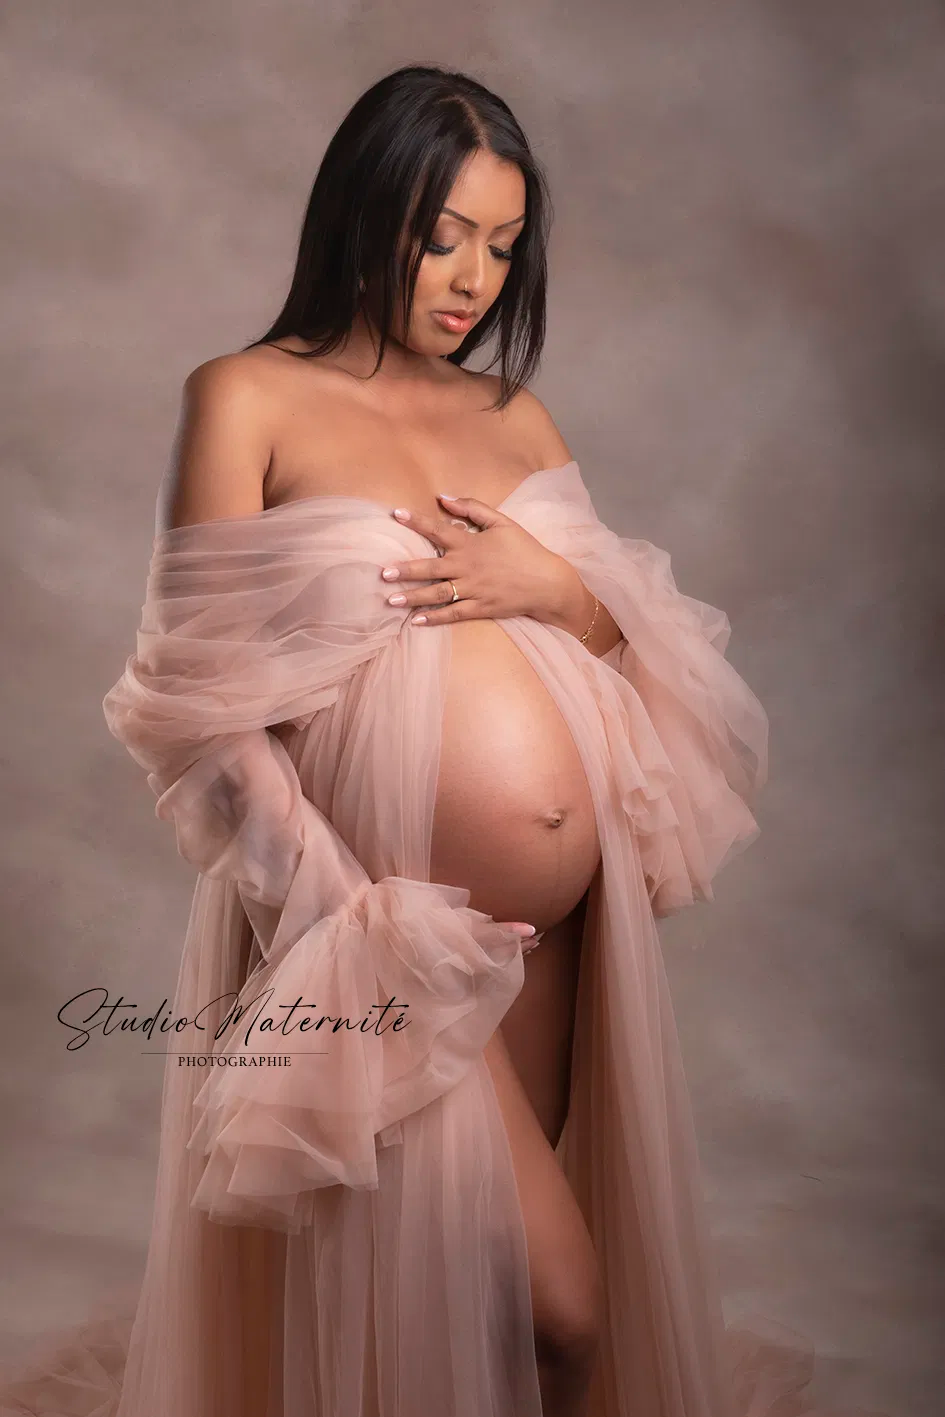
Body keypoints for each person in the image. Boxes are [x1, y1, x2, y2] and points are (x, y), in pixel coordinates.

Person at [0, 62, 877, 1417]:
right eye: (445, 235)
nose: (475, 280)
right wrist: (350, 928)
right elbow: (200, 716)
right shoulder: (246, 398)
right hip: (376, 935)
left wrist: (558, 590)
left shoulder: (514, 417)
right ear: (367, 213)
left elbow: (642, 653)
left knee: (472, 1312)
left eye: (504, 247)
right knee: (562, 1309)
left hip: (551, 939)